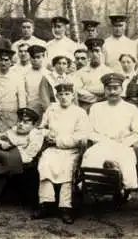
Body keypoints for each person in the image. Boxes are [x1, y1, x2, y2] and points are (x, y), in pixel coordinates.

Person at [34, 83, 91, 224]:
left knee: (67, 169)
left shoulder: (79, 112)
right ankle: (46, 203)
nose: (64, 97)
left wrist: (58, 140)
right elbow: (42, 128)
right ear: (57, 96)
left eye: (67, 94)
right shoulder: (52, 109)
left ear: (72, 96)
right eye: (61, 94)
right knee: (45, 164)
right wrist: (47, 134)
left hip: (71, 150)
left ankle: (65, 207)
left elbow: (81, 136)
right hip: (52, 149)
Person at [81, 73, 138, 191]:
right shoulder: (96, 108)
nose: (112, 92)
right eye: (109, 89)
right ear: (104, 90)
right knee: (91, 155)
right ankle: (93, 183)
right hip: (101, 144)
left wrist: (124, 142)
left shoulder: (131, 108)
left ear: (121, 89)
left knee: (124, 158)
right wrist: (104, 140)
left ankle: (125, 185)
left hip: (123, 145)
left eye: (115, 88)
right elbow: (89, 131)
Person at [0, 44, 26, 132]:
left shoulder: (17, 77)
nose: (3, 63)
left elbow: (22, 99)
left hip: (11, 116)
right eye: (1, 60)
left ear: (11, 62)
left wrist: (21, 118)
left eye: (6, 60)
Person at [73, 38, 113, 112]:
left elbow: (108, 90)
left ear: (102, 53)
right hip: (86, 109)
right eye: (92, 51)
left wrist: (86, 88)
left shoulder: (109, 72)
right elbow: (77, 92)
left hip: (105, 109)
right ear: (88, 53)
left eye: (97, 51)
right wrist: (99, 96)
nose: (94, 54)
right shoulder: (80, 73)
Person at [24, 45, 48, 113]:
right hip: (30, 108)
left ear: (43, 57)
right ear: (29, 58)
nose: (35, 60)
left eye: (38, 57)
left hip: (45, 109)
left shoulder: (48, 74)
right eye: (33, 57)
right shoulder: (25, 74)